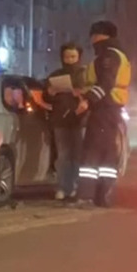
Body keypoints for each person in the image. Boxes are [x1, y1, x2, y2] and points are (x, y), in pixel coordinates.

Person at [75, 21, 131, 207]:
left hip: (104, 109)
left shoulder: (108, 55)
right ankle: (103, 195)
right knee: (107, 153)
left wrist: (88, 100)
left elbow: (105, 83)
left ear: (99, 35)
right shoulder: (114, 54)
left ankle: (86, 195)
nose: (91, 40)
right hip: (109, 109)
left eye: (93, 35)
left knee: (93, 151)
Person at [43, 42, 86, 201]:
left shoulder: (84, 74)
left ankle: (74, 186)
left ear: (79, 57)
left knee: (77, 155)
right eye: (67, 56)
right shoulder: (55, 75)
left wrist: (80, 94)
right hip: (60, 120)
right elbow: (46, 97)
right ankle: (62, 187)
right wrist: (50, 92)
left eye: (73, 56)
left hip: (79, 119)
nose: (70, 60)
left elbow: (90, 92)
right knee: (63, 156)